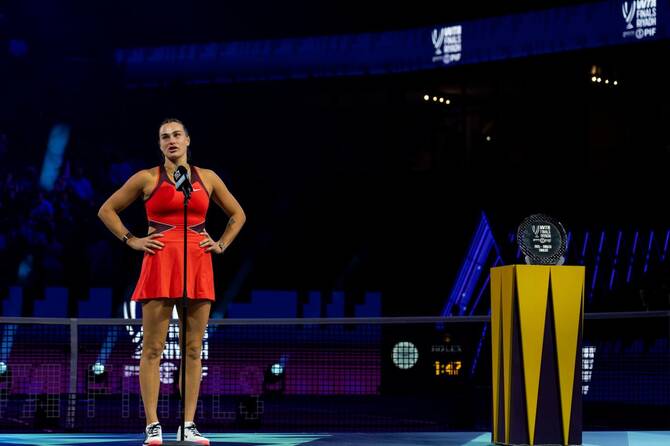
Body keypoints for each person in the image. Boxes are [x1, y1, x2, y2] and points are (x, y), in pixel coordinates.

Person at [98, 118, 246, 445]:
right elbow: (107, 210)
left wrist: (221, 244)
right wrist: (132, 240)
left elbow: (238, 215)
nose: (171, 140)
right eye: (165, 137)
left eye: (177, 135)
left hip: (198, 264)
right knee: (152, 349)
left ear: (188, 140)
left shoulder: (207, 178)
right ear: (159, 144)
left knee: (193, 350)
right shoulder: (147, 178)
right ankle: (152, 425)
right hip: (160, 262)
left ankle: (187, 425)